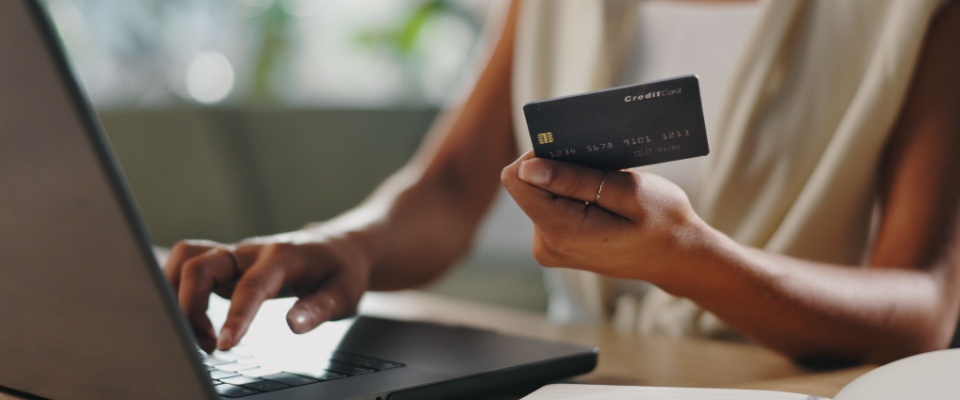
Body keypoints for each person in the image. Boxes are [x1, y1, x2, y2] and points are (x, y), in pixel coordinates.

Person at [164, 0, 960, 365]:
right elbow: (447, 190)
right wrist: (346, 245)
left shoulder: (915, 14)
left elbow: (923, 309)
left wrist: (689, 259)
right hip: (587, 379)